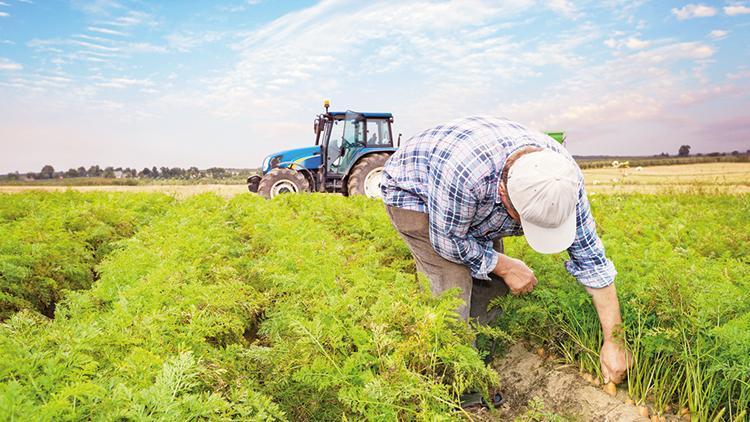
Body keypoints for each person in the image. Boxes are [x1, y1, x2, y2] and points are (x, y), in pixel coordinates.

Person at [380, 116, 631, 390]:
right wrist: (504, 265)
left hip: (471, 197)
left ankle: (479, 352)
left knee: (493, 287)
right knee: (451, 289)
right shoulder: (465, 175)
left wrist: (614, 341)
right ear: (503, 193)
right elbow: (448, 241)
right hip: (417, 194)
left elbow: (591, 260)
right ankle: (454, 381)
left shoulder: (563, 180)